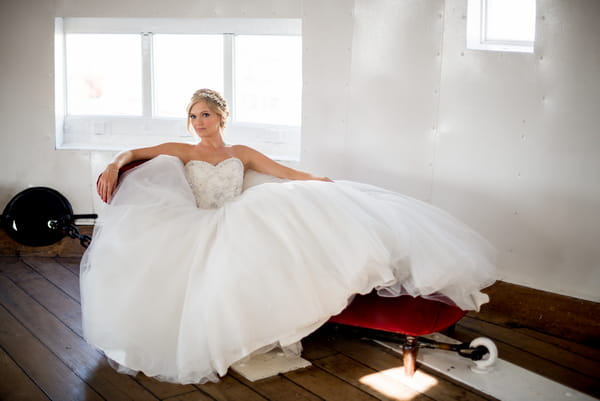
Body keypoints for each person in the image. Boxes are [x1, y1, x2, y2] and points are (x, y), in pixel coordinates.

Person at [81, 88, 496, 384]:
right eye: (192, 115)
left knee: (293, 216)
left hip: (234, 214)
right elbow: (135, 153)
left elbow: (285, 173)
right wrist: (115, 166)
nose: (198, 122)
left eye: (205, 114)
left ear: (221, 117)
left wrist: (320, 181)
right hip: (198, 220)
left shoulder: (239, 153)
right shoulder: (185, 150)